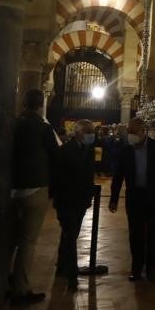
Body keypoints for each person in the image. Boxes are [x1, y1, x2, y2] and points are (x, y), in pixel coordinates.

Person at [7, 89, 59, 305]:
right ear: (40, 105)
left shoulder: (13, 124)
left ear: (23, 103)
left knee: (9, 239)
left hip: (11, 188)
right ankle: (20, 289)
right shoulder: (43, 128)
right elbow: (56, 156)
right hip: (35, 187)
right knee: (28, 242)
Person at [109, 118, 155, 281]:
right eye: (129, 132)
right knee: (135, 234)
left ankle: (152, 269)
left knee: (153, 234)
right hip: (134, 197)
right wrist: (114, 198)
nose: (130, 135)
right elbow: (118, 176)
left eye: (133, 132)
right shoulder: (126, 151)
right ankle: (136, 268)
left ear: (142, 131)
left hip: (153, 197)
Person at [52, 119, 96, 290]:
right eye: (89, 132)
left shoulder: (88, 150)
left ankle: (62, 267)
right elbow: (60, 176)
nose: (92, 136)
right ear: (78, 133)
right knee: (70, 236)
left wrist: (88, 197)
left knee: (70, 235)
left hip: (80, 200)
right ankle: (72, 275)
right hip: (67, 200)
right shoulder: (65, 150)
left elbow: (88, 175)